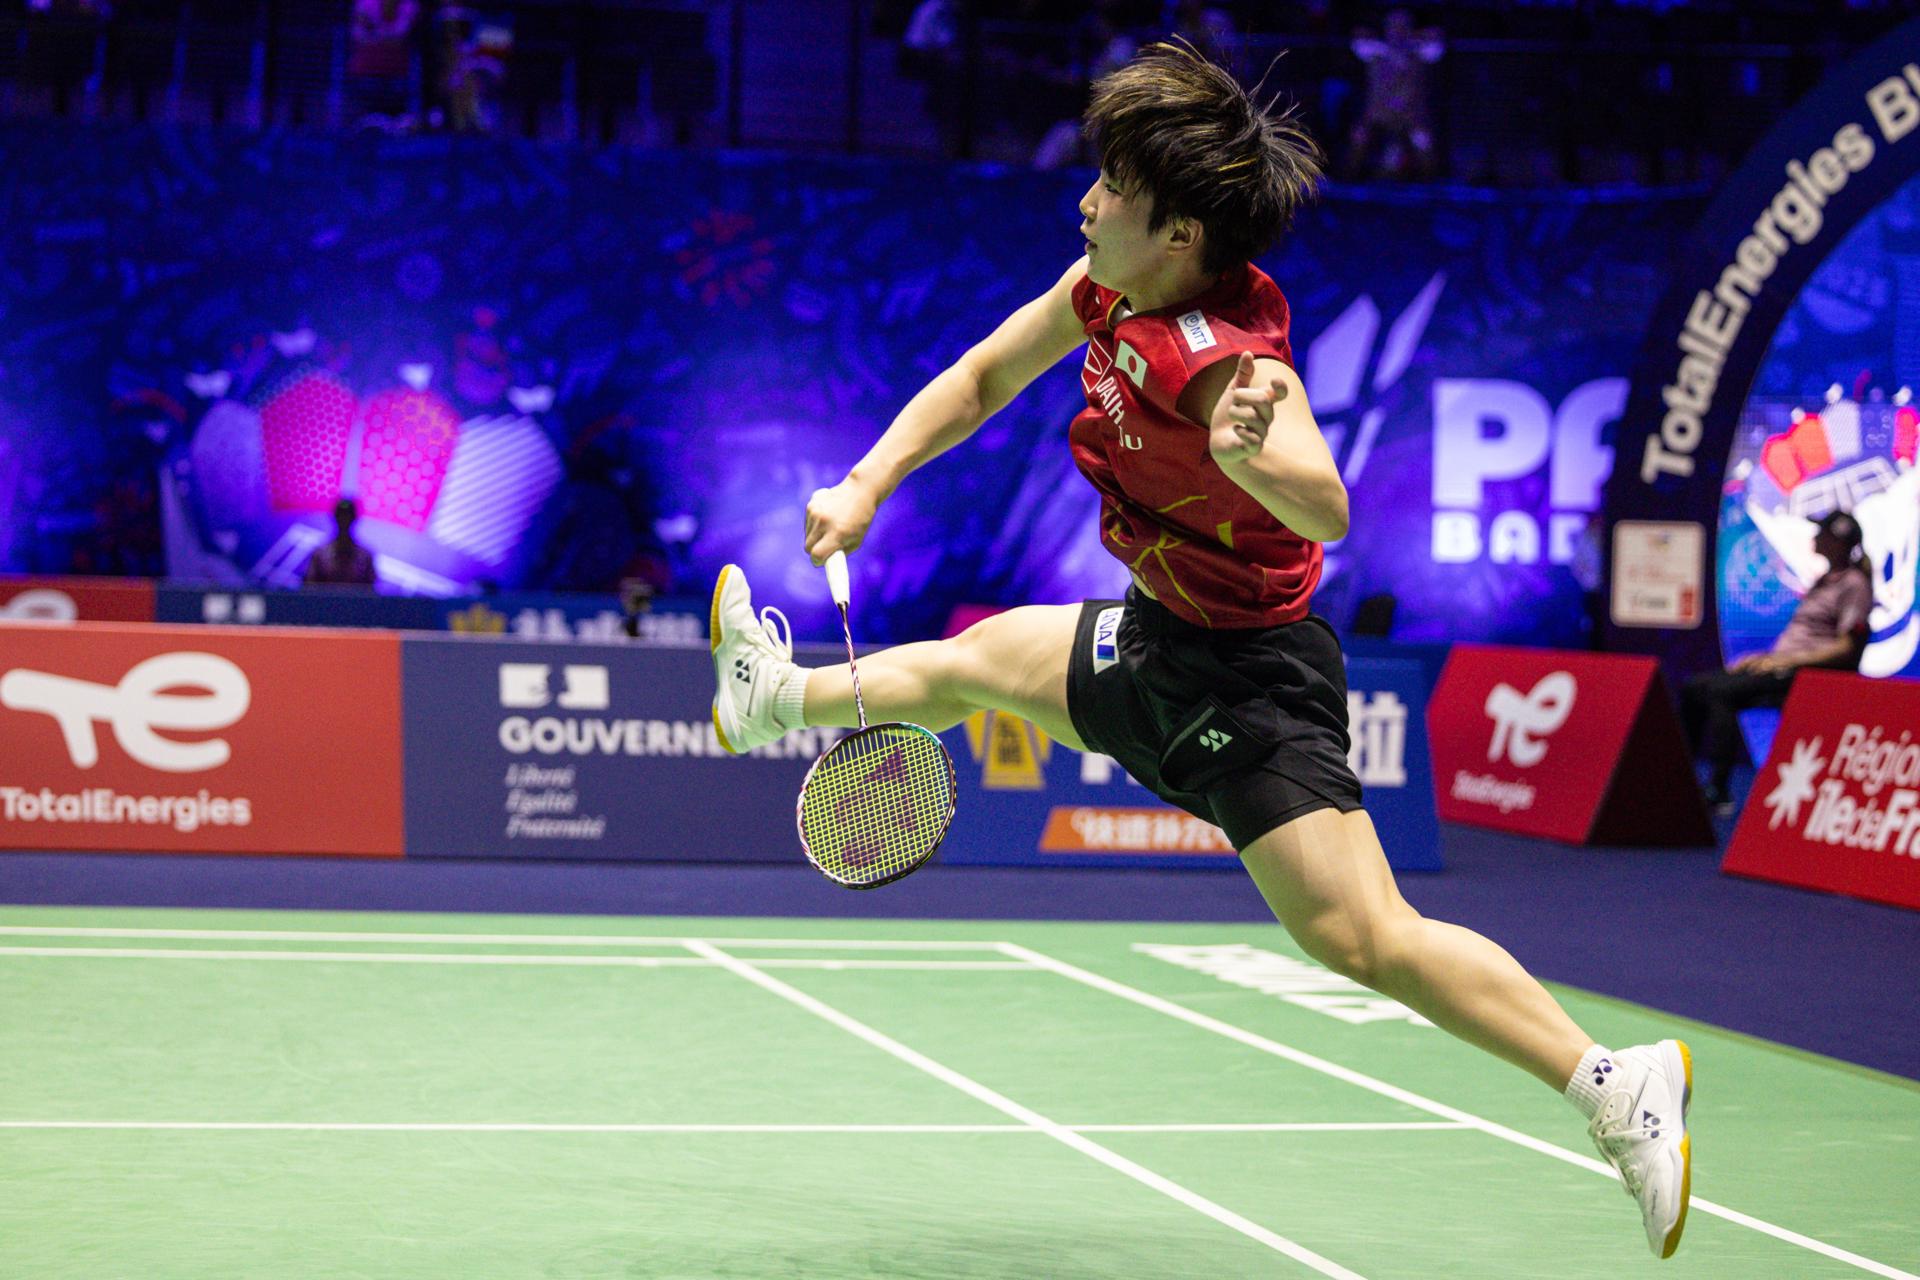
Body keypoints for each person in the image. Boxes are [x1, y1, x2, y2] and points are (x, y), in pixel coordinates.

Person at [707, 42, 1692, 1259]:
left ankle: (1614, 1082)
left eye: (1111, 187)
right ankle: (775, 696)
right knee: (981, 659)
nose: (1088, 201)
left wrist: (1249, 456)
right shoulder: (1105, 292)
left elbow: (1327, 506)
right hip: (1165, 630)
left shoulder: (1230, 359)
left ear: (1177, 230)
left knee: (1362, 937)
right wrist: (867, 481)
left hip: (1250, 675)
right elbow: (978, 377)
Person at [1683, 508, 1872, 809]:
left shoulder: (1853, 584)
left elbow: (1847, 648)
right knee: (1695, 687)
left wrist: (1786, 662)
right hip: (1783, 665)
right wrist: (1767, 658)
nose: (1815, 537)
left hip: (1808, 673)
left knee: (1722, 693)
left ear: (1838, 541)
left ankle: (1717, 789)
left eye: (1822, 532)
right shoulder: (1825, 580)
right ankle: (1683, 782)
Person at [304, 498, 377, 587]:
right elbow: (309, 588)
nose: (344, 519)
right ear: (335, 517)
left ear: (354, 518)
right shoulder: (320, 554)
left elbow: (371, 593)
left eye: (348, 515)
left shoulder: (365, 557)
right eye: (341, 515)